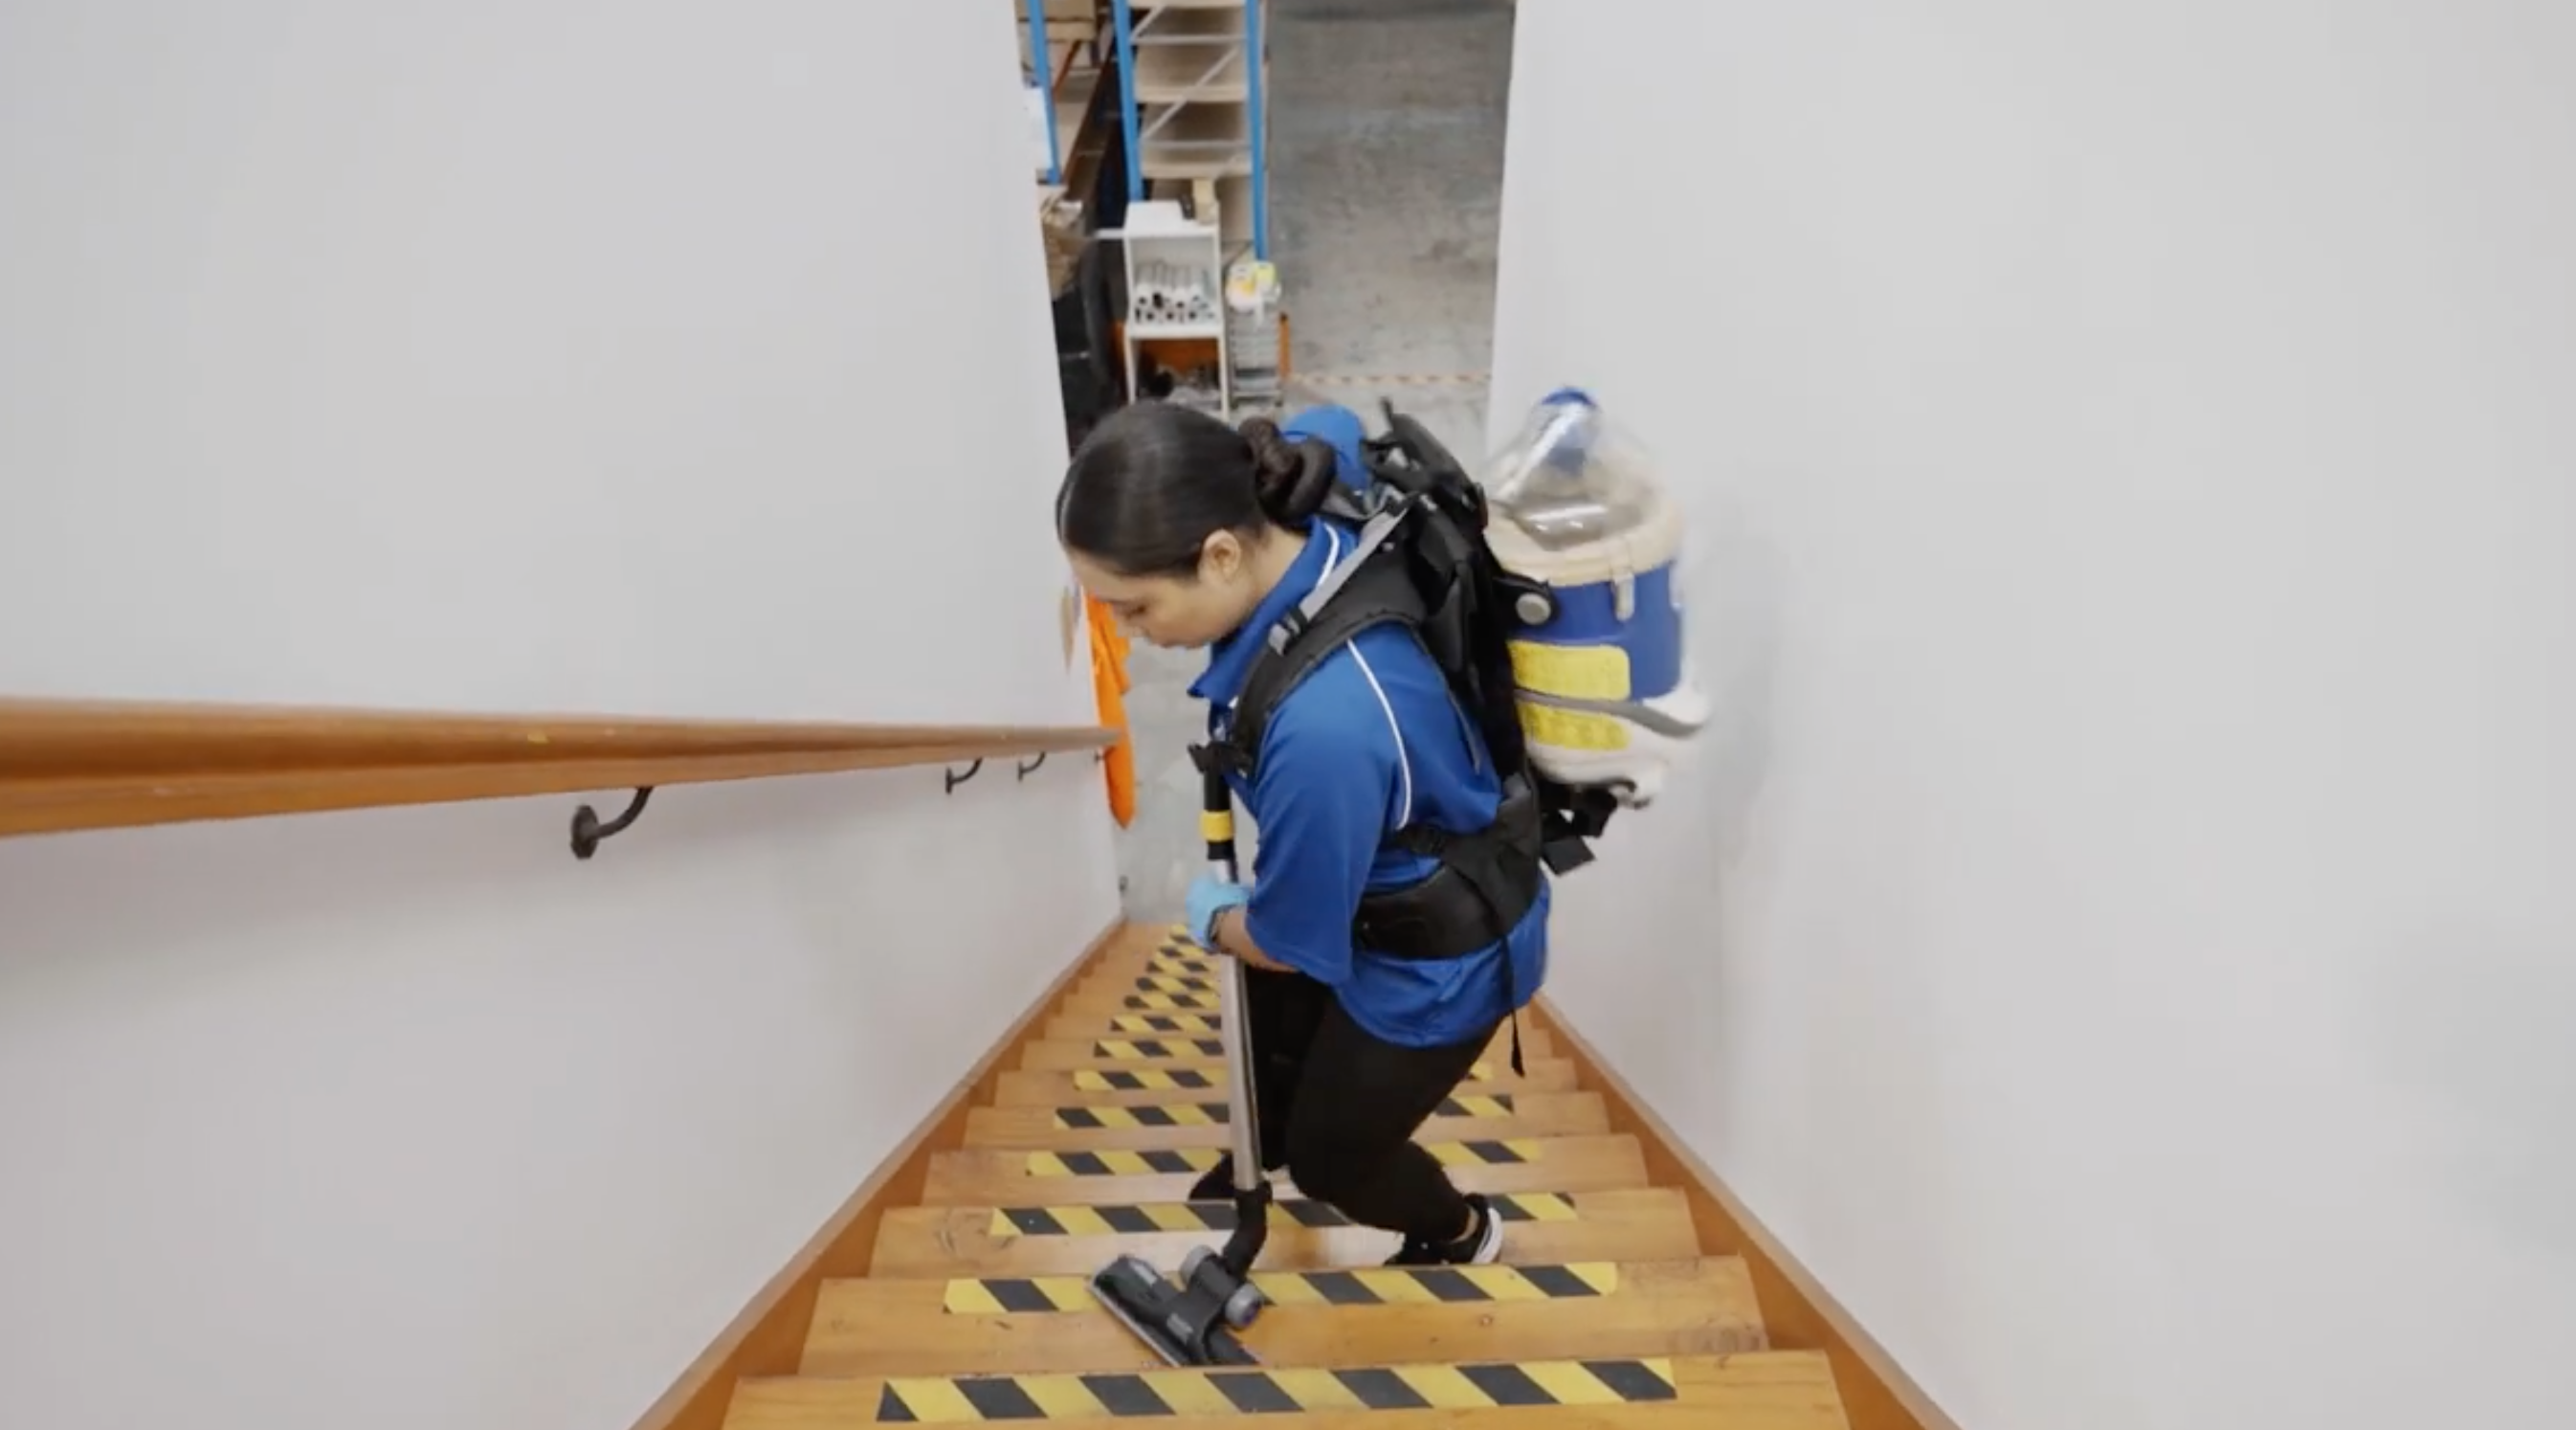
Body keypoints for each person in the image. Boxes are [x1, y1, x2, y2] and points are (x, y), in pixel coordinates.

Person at [1055, 397, 1550, 1268]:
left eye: (1133, 609)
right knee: (1271, 1019)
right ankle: (1269, 1140)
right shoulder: (1296, 500)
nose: (1130, 636)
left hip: (1436, 960)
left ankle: (1463, 1231)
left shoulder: (1326, 729)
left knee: (1336, 1156)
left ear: (1219, 555)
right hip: (1374, 867)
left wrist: (1214, 917)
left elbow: (1284, 940)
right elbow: (1335, 424)